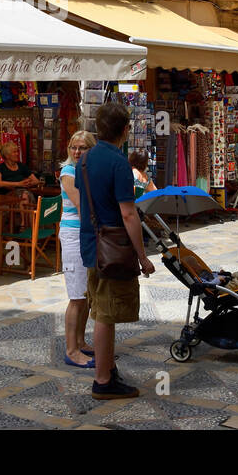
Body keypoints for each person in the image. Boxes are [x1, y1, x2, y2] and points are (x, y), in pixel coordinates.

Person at [78, 102, 156, 400]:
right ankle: (102, 380)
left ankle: (107, 369)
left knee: (100, 310)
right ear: (125, 130)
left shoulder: (85, 160)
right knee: (105, 315)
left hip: (91, 246)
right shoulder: (119, 163)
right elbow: (128, 214)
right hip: (112, 249)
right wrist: (142, 256)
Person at [59, 131, 97, 369]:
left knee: (86, 296)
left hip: (87, 236)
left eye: (82, 148)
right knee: (76, 297)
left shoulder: (87, 172)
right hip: (74, 236)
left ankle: (81, 341)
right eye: (73, 147)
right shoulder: (68, 172)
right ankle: (72, 351)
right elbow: (83, 206)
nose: (76, 152)